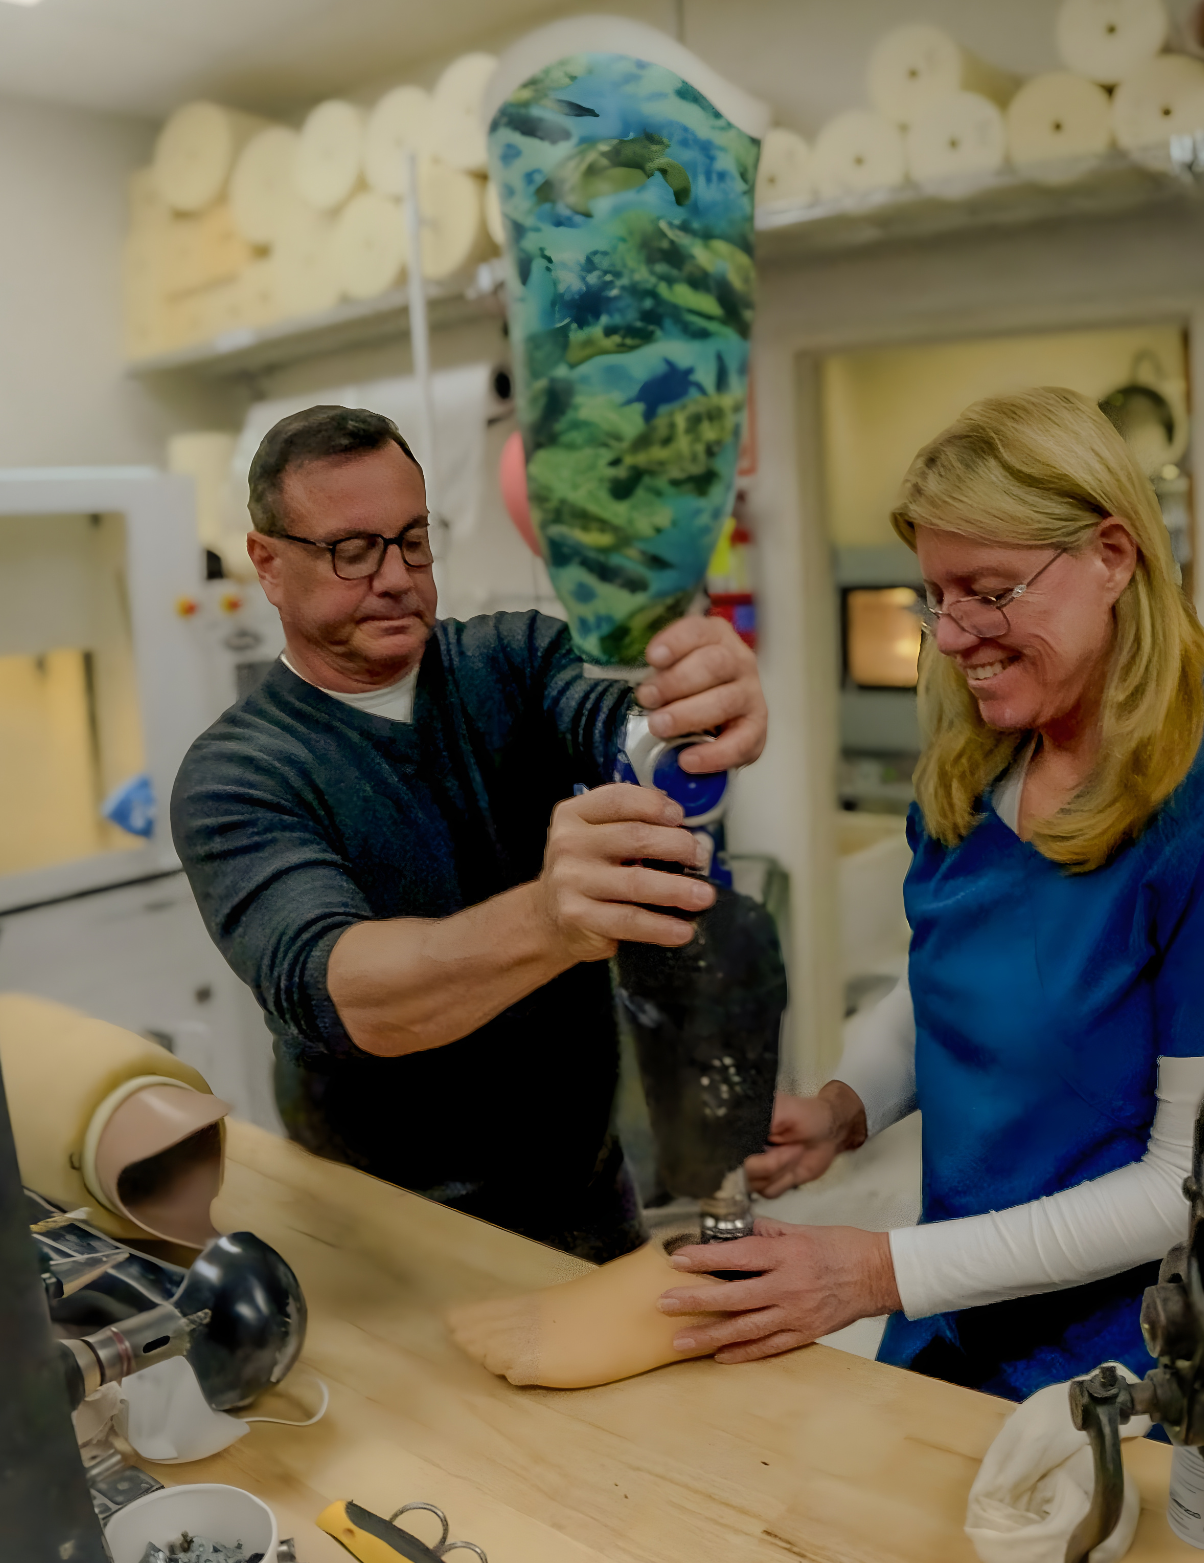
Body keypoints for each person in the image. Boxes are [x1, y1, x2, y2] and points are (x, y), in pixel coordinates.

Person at [658, 386, 1204, 1398]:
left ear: (1111, 557)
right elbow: (953, 973)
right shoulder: (983, 760)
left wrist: (873, 1271)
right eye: (933, 595)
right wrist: (848, 1104)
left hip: (1136, 1367)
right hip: (957, 1327)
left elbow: (1198, 1181)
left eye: (987, 592)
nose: (950, 636)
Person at [170, 405, 766, 1263]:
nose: (395, 576)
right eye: (353, 549)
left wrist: (689, 714)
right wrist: (548, 921)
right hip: (385, 1232)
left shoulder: (513, 658)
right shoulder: (239, 773)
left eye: (413, 540)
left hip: (584, 1190)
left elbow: (616, 726)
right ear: (267, 562)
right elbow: (344, 989)